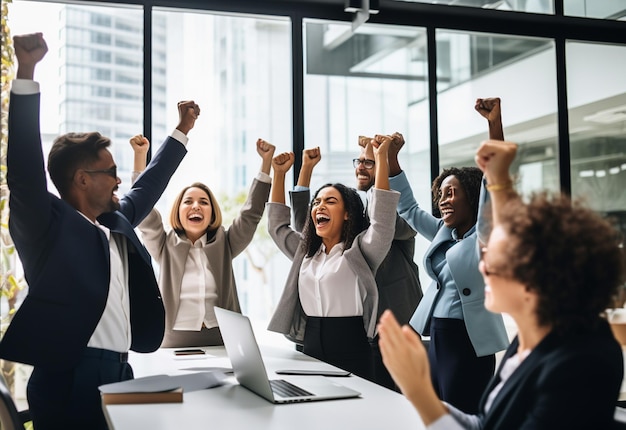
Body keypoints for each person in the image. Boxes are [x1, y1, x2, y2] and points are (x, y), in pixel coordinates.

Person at [0, 33, 199, 429]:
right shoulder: (46, 226)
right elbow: (23, 172)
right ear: (81, 179)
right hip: (68, 376)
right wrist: (26, 71)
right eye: (110, 172)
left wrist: (183, 129)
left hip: (120, 370)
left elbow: (148, 184)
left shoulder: (116, 222)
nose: (119, 179)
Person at [378, 137, 625, 429]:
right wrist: (416, 390)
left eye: (497, 256)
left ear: (541, 272)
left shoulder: (581, 362)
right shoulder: (526, 344)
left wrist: (418, 391)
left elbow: (492, 217)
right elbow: (485, 424)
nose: (483, 265)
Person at [386, 103, 509, 413]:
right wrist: (391, 159)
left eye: (452, 192)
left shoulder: (485, 232)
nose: (443, 200)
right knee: (438, 408)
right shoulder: (444, 231)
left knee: (462, 410)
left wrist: (495, 124)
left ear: (472, 196)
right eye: (441, 194)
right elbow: (410, 210)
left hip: (468, 340)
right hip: (438, 337)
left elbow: (494, 182)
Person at [288, 140, 423, 389]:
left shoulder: (381, 214)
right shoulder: (351, 218)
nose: (361, 167)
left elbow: (385, 220)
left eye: (369, 162)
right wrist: (305, 171)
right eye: (359, 161)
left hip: (394, 321)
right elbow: (305, 226)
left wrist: (383, 164)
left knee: (393, 399)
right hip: (362, 327)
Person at [266, 137, 399, 380]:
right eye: (316, 202)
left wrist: (381, 159)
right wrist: (279, 174)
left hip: (353, 349)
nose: (319, 206)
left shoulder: (362, 251)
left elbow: (382, 223)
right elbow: (277, 227)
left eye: (330, 201)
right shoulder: (305, 252)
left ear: (347, 213)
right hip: (310, 345)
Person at [131, 135, 275, 347]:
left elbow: (251, 214)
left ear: (212, 212)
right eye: (188, 201)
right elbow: (144, 213)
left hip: (224, 338)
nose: (196, 206)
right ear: (178, 212)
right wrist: (139, 157)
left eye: (204, 202)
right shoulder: (164, 245)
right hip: (173, 340)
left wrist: (266, 163)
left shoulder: (225, 243)